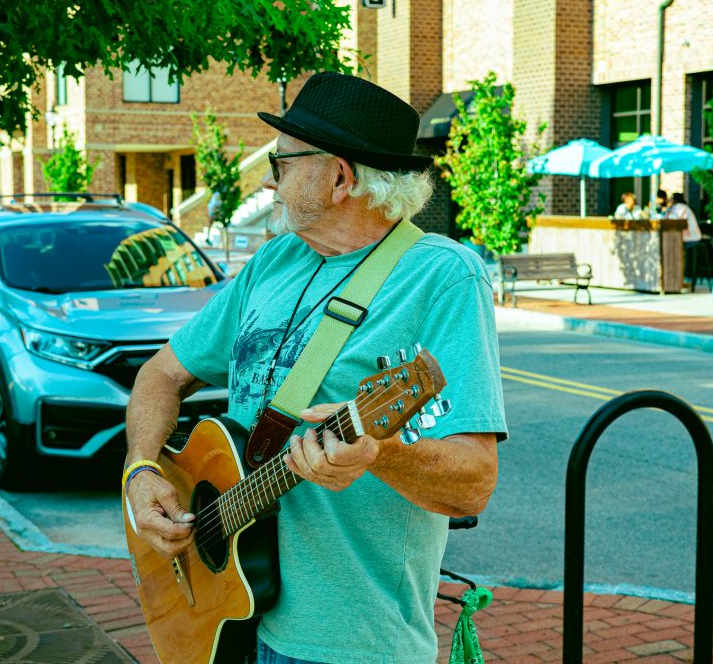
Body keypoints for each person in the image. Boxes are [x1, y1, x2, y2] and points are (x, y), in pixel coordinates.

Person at [124, 72, 506, 663]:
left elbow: (474, 482)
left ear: (339, 178)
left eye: (281, 166)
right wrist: (143, 470)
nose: (271, 184)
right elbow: (161, 375)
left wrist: (381, 453)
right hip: (232, 618)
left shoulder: (442, 277)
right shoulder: (274, 261)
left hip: (352, 644)